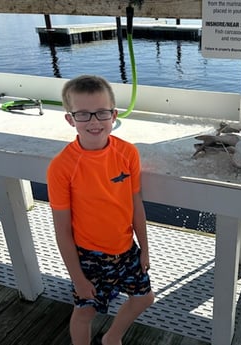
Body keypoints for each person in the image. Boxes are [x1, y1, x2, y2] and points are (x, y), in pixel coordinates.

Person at [47, 75, 154, 345]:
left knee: (144, 297)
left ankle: (112, 338)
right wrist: (78, 278)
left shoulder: (128, 153)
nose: (94, 122)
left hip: (126, 249)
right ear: (70, 119)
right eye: (83, 114)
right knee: (85, 310)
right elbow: (62, 231)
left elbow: (135, 204)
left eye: (102, 113)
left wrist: (144, 248)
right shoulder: (61, 167)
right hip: (89, 256)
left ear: (114, 115)